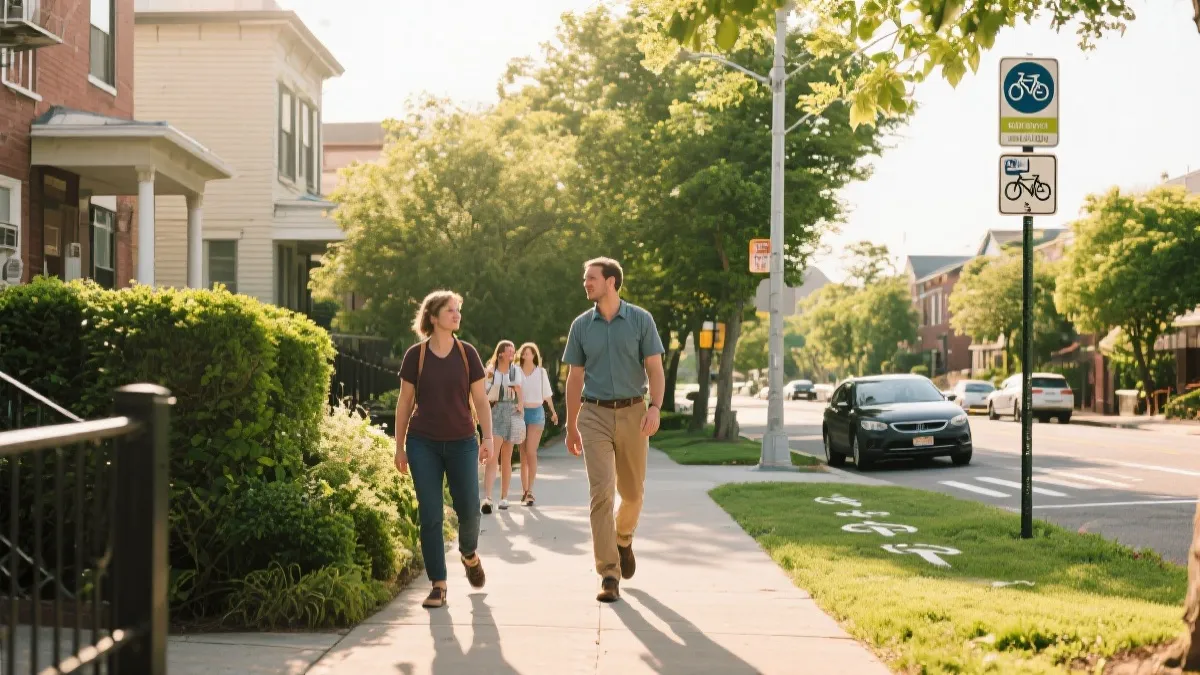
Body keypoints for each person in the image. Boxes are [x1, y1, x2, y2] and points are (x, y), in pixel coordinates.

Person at [563, 257, 665, 603]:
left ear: (611, 282)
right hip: (594, 414)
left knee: (633, 494)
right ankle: (609, 573)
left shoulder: (640, 320)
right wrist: (571, 423)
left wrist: (655, 407)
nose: (585, 283)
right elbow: (575, 377)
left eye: (591, 278)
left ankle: (623, 538)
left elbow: (655, 367)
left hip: (634, 413)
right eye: (585, 278)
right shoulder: (581, 325)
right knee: (601, 493)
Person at [393, 290, 494, 609]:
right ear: (433, 317)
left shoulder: (468, 354)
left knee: (469, 509)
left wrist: (487, 436)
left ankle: (468, 554)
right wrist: (399, 446)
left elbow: (480, 400)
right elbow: (405, 403)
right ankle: (438, 584)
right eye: (450, 310)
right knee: (431, 514)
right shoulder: (415, 356)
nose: (456, 314)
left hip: (463, 441)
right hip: (423, 443)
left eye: (457, 310)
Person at [481, 340, 524, 513]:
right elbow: (483, 393)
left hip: (511, 410)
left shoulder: (516, 371)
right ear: (500, 354)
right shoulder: (491, 371)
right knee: (493, 456)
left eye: (513, 351)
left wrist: (520, 405)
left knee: (507, 457)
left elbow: (519, 391)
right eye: (509, 351)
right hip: (496, 410)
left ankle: (504, 497)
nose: (512, 354)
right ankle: (488, 498)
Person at [516, 342, 558, 506]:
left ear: (534, 355)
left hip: (537, 414)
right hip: (520, 414)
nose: (527, 355)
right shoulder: (517, 371)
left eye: (529, 353)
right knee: (523, 455)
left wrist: (553, 412)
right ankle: (524, 490)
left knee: (531, 452)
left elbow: (547, 395)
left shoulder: (541, 373)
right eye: (524, 353)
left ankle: (531, 491)